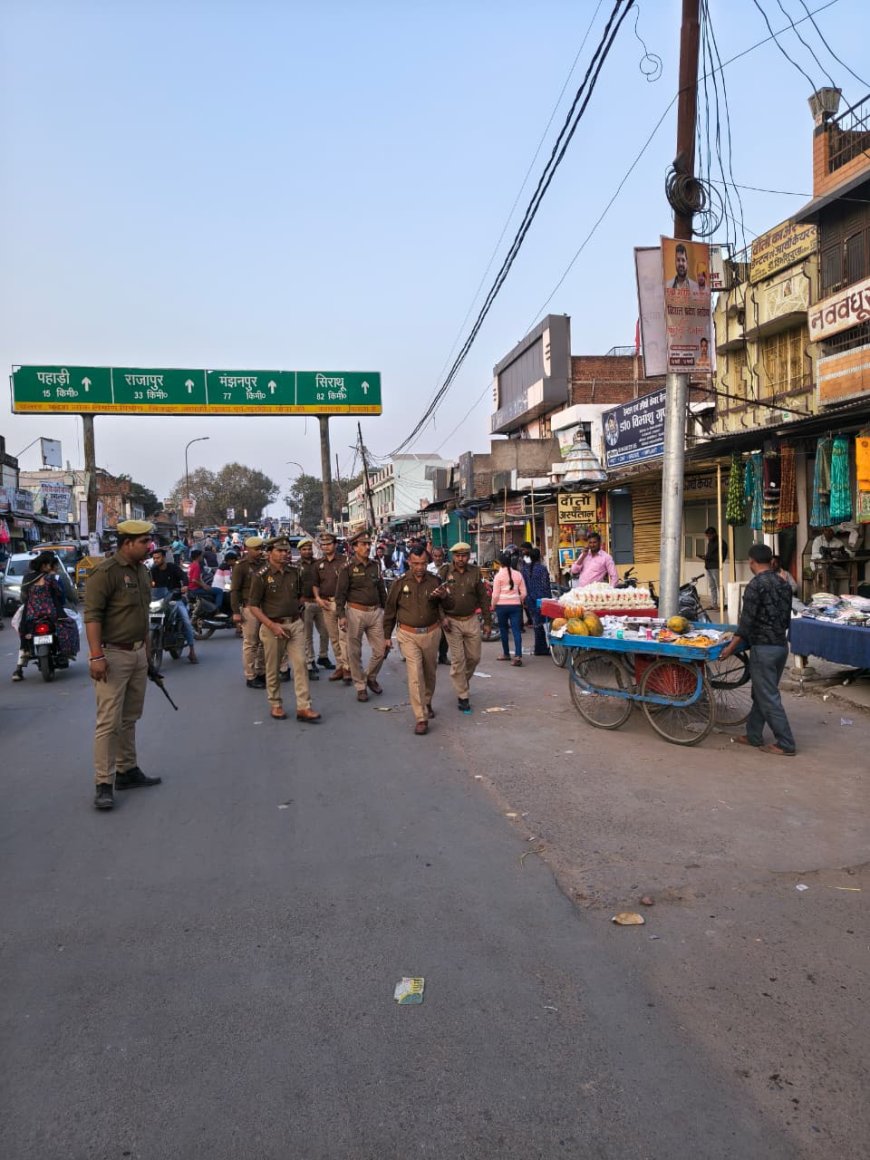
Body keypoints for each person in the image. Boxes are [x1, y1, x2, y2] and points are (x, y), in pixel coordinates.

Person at [83, 520, 162, 811]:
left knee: (130, 717)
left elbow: (142, 618)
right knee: (108, 722)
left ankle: (127, 770)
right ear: (127, 542)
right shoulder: (105, 573)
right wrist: (95, 656)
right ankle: (104, 782)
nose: (149, 546)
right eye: (144, 541)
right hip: (112, 655)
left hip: (138, 653)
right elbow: (92, 617)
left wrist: (148, 658)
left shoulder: (142, 571)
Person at [720, 543, 796, 757]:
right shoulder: (784, 584)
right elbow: (786, 619)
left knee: (768, 696)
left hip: (764, 648)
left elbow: (746, 624)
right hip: (781, 646)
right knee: (761, 693)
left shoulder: (755, 586)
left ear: (752, 562)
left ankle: (786, 743)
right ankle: (753, 735)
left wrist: (729, 649)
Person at [247, 537, 321, 723]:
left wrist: (299, 613)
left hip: (294, 624)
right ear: (269, 552)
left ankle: (304, 707)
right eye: (280, 551)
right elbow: (254, 606)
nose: (284, 554)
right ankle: (276, 703)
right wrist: (272, 625)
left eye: (286, 551)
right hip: (272, 626)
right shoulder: (261, 575)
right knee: (272, 667)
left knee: (301, 663)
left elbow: (299, 596)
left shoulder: (294, 572)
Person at [383, 544, 451, 734]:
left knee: (429, 673)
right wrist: (387, 637)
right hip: (407, 634)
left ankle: (427, 702)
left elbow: (447, 605)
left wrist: (444, 597)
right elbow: (390, 612)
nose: (419, 568)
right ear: (409, 562)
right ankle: (420, 717)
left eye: (422, 563)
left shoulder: (435, 581)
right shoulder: (399, 583)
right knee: (415, 675)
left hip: (431, 633)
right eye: (415, 564)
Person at [336, 531, 387, 703]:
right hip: (355, 613)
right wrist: (341, 616)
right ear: (355, 547)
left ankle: (370, 676)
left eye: (368, 544)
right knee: (354, 652)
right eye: (363, 544)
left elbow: (381, 589)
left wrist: (387, 612)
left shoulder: (376, 565)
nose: (367, 547)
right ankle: (360, 687)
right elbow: (340, 595)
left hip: (375, 613)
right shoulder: (347, 568)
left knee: (381, 650)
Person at [440, 541, 491, 712]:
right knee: (458, 659)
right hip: (451, 621)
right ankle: (463, 696)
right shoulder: (445, 572)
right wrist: (442, 618)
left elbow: (483, 598)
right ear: (453, 556)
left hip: (471, 619)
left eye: (464, 555)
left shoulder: (475, 572)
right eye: (457, 556)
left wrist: (488, 622)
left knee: (474, 658)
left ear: (469, 556)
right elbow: (436, 597)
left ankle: (462, 681)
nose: (461, 559)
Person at [12, 551, 69, 680]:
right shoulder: (50, 578)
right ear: (44, 565)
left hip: (32, 614)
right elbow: (59, 594)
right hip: (50, 613)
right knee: (65, 627)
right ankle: (65, 652)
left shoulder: (27, 578)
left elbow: (23, 596)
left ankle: (19, 668)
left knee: (23, 634)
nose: (50, 567)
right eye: (49, 564)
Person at [313, 532, 352, 685]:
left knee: (344, 637)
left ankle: (348, 668)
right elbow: (315, 584)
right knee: (334, 638)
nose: (326, 547)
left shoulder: (346, 561)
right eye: (323, 544)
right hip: (326, 603)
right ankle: (340, 666)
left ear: (335, 545)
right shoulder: (318, 564)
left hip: (343, 603)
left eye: (329, 544)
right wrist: (317, 598)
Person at [230, 536, 267, 688]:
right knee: (250, 643)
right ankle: (250, 676)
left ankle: (261, 672)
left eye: (261, 549)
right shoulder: (241, 566)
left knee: (263, 642)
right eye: (256, 549)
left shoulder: (264, 564)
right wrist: (236, 611)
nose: (260, 552)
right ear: (248, 550)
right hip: (249, 608)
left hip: (264, 607)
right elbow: (234, 590)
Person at [149, 547, 198, 664]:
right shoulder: (153, 570)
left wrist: (185, 585)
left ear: (164, 558)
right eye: (154, 558)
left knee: (185, 621)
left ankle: (192, 650)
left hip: (175, 599)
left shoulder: (173, 568)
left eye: (158, 557)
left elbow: (184, 577)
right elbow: (148, 582)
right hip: (159, 601)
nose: (156, 560)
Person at [297, 537, 333, 680]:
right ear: (300, 551)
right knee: (307, 635)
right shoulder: (296, 566)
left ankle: (323, 656)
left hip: (319, 602)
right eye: (304, 549)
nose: (307, 551)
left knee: (325, 632)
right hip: (305, 604)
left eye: (309, 549)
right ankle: (309, 662)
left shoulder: (319, 564)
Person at [491, 550, 527, 666]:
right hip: (516, 606)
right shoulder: (518, 574)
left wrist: (493, 605)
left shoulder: (498, 576)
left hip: (501, 607)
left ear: (501, 563)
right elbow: (524, 593)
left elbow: (495, 595)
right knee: (516, 630)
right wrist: (519, 599)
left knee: (504, 630)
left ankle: (506, 654)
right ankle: (517, 656)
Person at [524, 548, 553, 656]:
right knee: (544, 623)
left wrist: (526, 598)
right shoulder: (542, 569)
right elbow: (546, 585)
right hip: (542, 599)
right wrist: (549, 598)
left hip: (530, 599)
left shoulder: (525, 569)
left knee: (537, 624)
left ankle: (539, 647)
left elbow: (524, 585)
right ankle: (542, 648)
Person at [811, 526, 852, 596]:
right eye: (827, 530)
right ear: (823, 531)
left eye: (831, 531)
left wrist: (840, 555)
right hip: (818, 565)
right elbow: (815, 554)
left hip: (832, 565)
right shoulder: (817, 540)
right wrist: (825, 557)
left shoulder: (837, 542)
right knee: (829, 573)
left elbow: (849, 553)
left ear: (834, 533)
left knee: (838, 571)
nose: (828, 533)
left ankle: (842, 596)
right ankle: (830, 596)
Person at [699, 526, 728, 608]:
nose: (708, 538)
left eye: (709, 536)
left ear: (714, 534)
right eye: (707, 536)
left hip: (715, 566)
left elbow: (721, 556)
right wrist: (705, 557)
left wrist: (708, 557)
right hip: (708, 566)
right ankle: (713, 604)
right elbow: (710, 554)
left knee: (719, 585)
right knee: (712, 586)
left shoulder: (721, 543)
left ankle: (722, 605)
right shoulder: (710, 542)